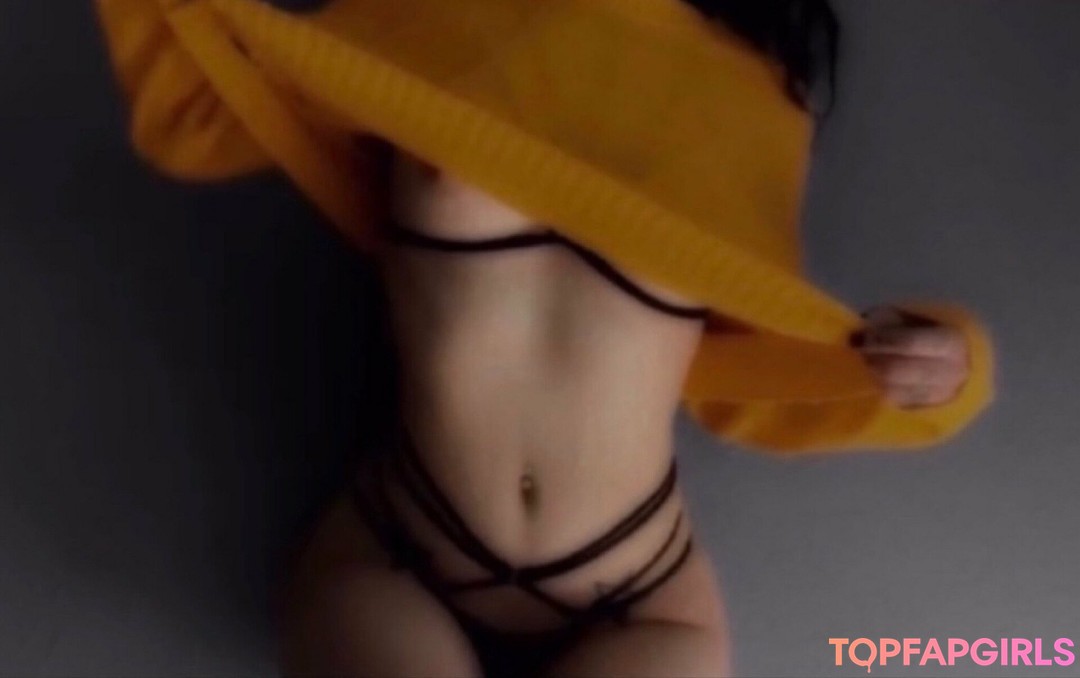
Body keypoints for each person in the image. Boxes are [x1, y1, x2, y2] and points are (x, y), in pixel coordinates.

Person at [94, 0, 993, 675]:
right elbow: (219, 99)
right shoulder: (438, 13)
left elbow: (756, 373)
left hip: (642, 600)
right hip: (399, 550)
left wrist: (946, 362)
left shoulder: (754, 102)